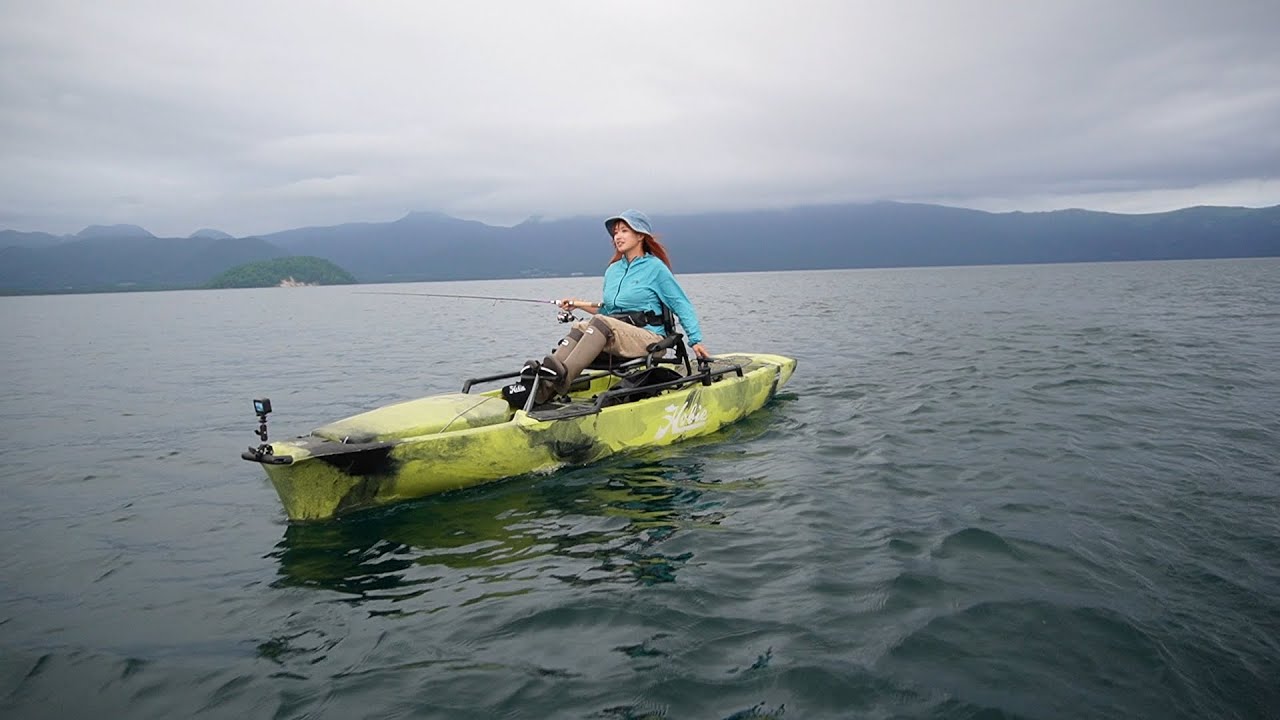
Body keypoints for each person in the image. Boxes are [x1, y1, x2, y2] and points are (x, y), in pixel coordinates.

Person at [511, 209, 710, 407]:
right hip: (616, 333)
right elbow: (606, 314)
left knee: (599, 323)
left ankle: (559, 381)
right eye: (615, 233)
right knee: (581, 326)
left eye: (624, 231)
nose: (617, 236)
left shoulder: (655, 268)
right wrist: (577, 304)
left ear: (640, 235)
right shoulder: (613, 270)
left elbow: (681, 304)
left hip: (649, 338)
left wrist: (696, 340)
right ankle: (538, 387)